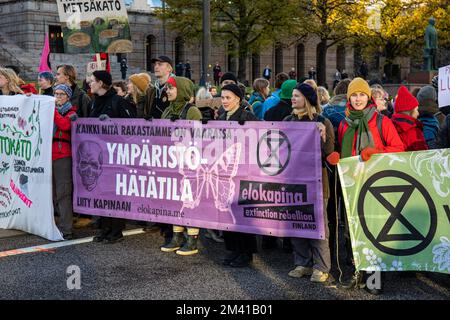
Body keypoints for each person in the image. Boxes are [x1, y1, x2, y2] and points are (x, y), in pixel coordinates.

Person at [328, 77, 405, 295]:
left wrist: (376, 153)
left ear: (368, 97)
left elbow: (399, 149)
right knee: (352, 228)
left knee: (374, 229)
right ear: (349, 98)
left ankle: (374, 276)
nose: (358, 99)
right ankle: (357, 270)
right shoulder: (344, 123)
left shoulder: (382, 121)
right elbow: (340, 150)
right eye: (354, 95)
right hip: (351, 185)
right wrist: (333, 156)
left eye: (362, 94)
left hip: (376, 185)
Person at [284, 83, 334, 284]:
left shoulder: (323, 121)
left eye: (296, 96)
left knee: (319, 225)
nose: (292, 99)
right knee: (296, 222)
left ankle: (321, 267)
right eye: (292, 96)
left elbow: (328, 152)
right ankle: (302, 263)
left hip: (317, 182)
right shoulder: (287, 121)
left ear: (307, 98)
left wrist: (322, 137)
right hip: (292, 180)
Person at [159, 76, 203, 255]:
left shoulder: (192, 111)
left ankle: (192, 238)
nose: (167, 91)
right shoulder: (168, 110)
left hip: (188, 163)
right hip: (171, 162)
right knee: (175, 200)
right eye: (167, 88)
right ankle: (177, 235)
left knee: (189, 201)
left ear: (183, 90)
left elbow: (198, 138)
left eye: (171, 88)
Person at [89, 71, 132, 244]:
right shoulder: (95, 102)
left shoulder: (118, 101)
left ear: (100, 83)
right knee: (102, 192)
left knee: (115, 192)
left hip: (115, 154)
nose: (89, 83)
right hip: (99, 154)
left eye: (92, 81)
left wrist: (111, 125)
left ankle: (116, 229)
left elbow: (131, 127)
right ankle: (105, 227)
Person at [219, 83, 258, 267]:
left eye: (228, 98)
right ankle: (233, 248)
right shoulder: (220, 116)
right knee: (226, 211)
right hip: (225, 171)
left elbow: (259, 138)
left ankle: (246, 252)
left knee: (242, 212)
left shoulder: (247, 116)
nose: (224, 101)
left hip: (243, 171)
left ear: (238, 99)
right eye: (223, 97)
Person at [52, 84, 78, 240]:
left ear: (68, 96)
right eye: (56, 94)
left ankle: (66, 229)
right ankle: (56, 224)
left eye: (61, 94)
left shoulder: (72, 112)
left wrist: (52, 111)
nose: (58, 97)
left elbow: (64, 125)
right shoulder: (52, 110)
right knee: (53, 194)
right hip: (48, 157)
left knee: (63, 194)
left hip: (63, 157)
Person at [391, 86, 428, 151]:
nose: (418, 113)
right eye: (416, 110)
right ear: (410, 112)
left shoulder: (389, 126)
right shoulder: (414, 132)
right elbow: (422, 154)